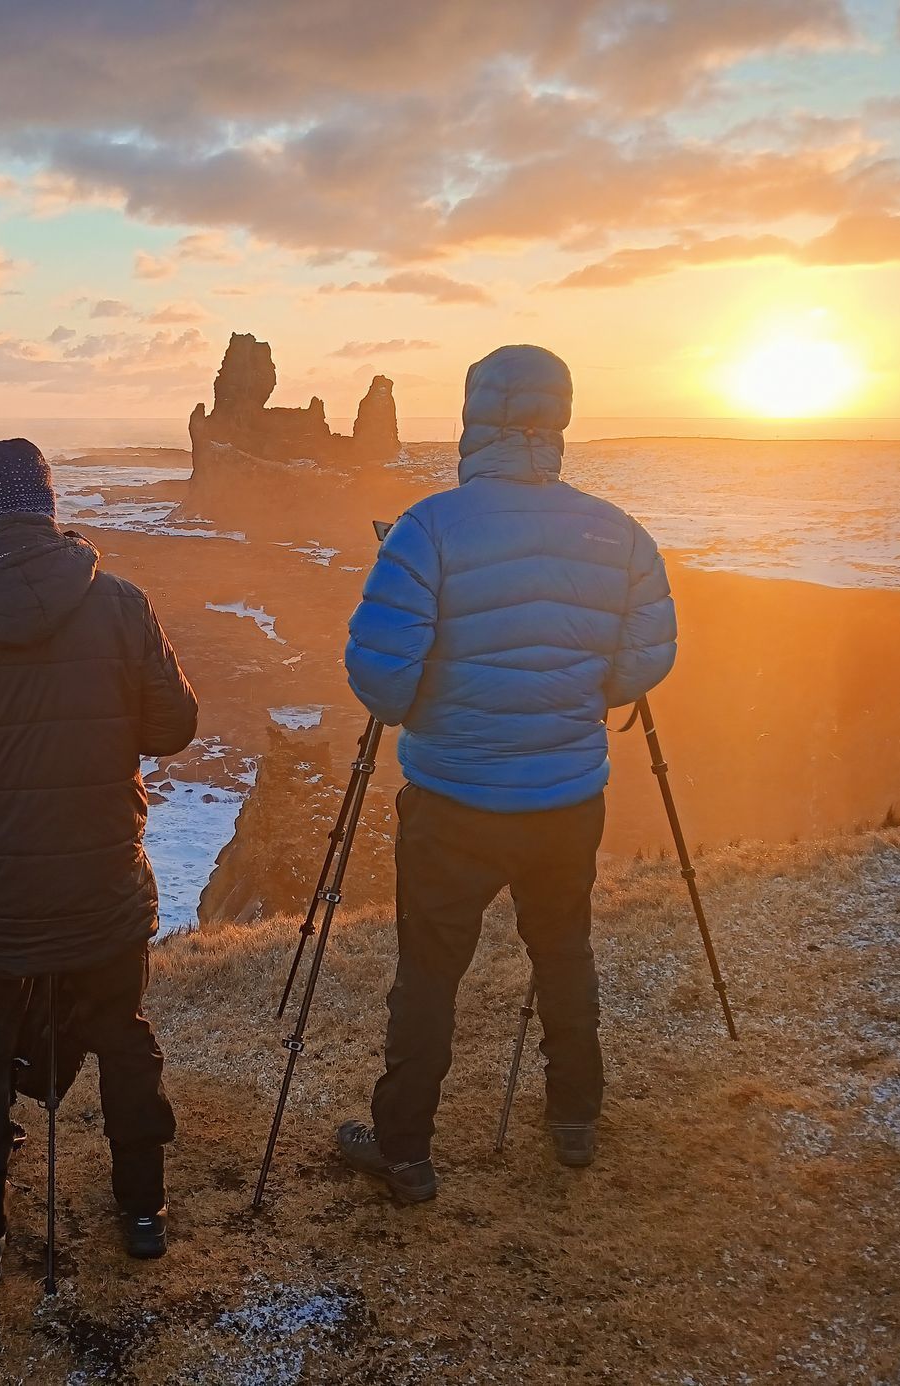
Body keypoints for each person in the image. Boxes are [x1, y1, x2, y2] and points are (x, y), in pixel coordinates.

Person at [339, 345, 676, 1202]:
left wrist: (438, 705)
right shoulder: (619, 534)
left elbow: (380, 682)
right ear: (560, 419)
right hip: (567, 795)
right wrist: (573, 695)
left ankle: (405, 1149)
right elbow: (643, 664)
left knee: (428, 975)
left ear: (472, 417)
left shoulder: (427, 529)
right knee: (563, 949)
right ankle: (575, 1120)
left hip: (452, 798)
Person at [0, 438, 199, 1289]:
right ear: (49, 506)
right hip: (103, 886)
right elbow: (173, 728)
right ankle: (142, 1214)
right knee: (122, 1037)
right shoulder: (122, 603)